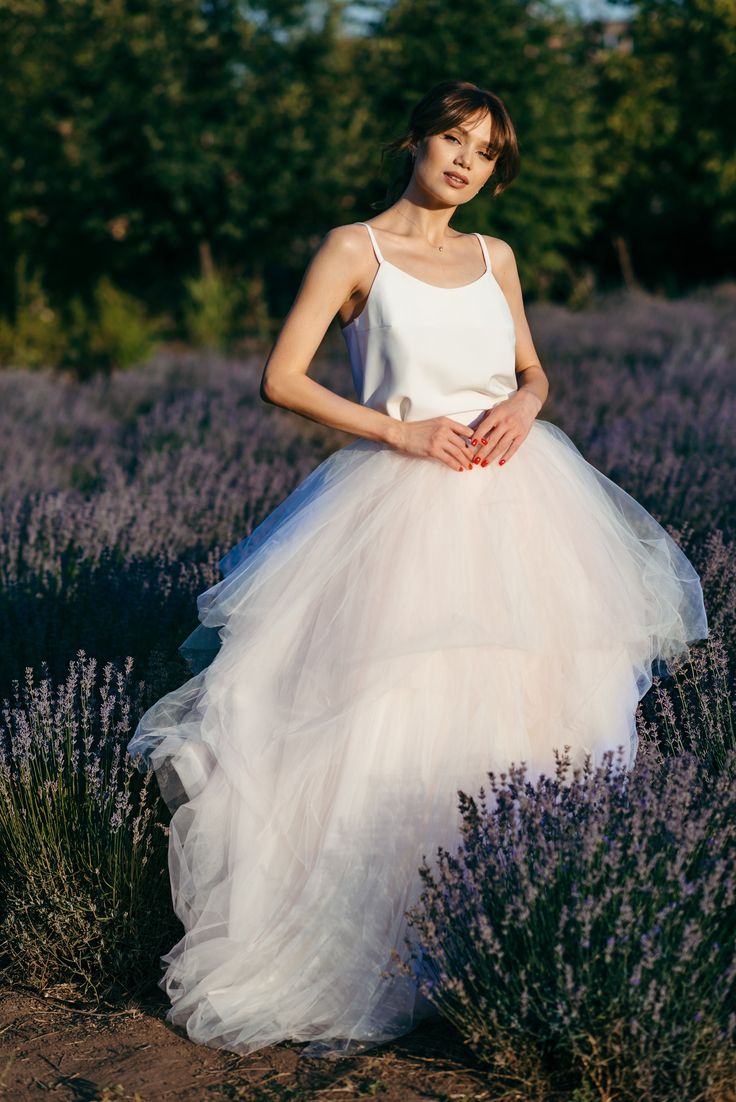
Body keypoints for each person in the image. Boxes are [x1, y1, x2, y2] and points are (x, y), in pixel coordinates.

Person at [126, 79, 708, 1058]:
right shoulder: (354, 248)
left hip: (525, 508)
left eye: (484, 152)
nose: (464, 161)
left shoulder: (495, 257)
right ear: (415, 140)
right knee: (386, 721)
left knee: (536, 716)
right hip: (397, 506)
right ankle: (383, 946)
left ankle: (509, 945)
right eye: (452, 138)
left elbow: (531, 371)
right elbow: (283, 377)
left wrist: (527, 405)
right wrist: (403, 432)